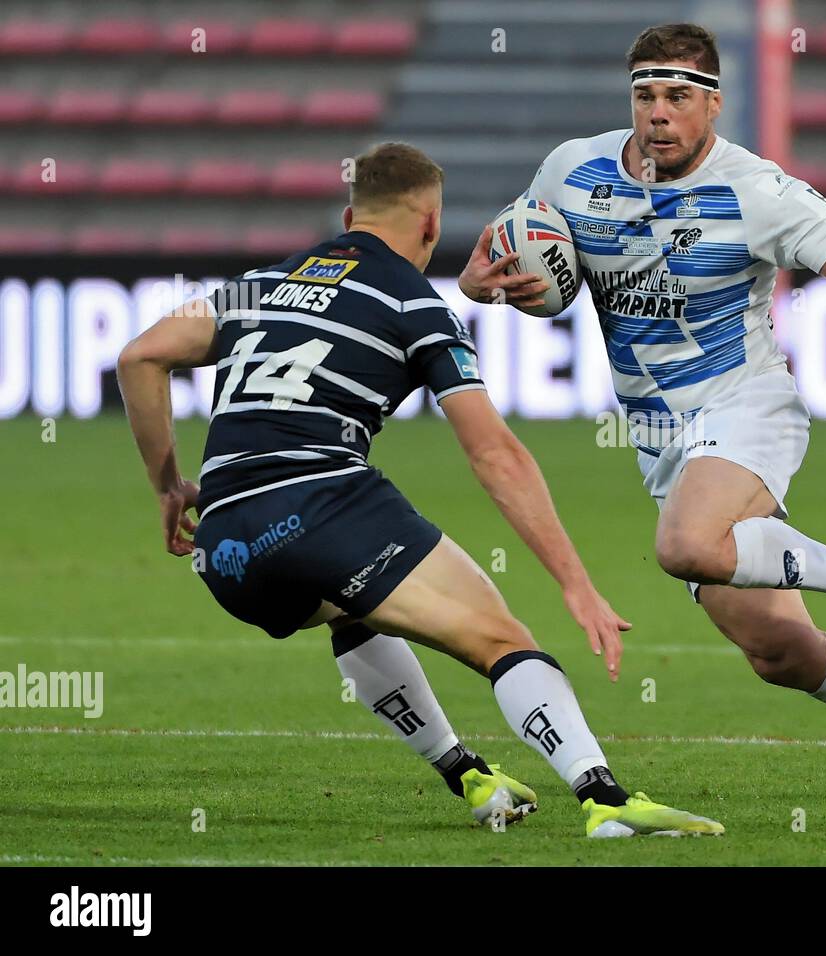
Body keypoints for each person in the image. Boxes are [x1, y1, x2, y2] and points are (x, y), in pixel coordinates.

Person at [457, 25, 826, 801]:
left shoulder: (755, 190)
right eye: (644, 96)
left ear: (714, 104)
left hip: (747, 403)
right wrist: (481, 284)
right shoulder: (572, 170)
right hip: (661, 438)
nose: (657, 113)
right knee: (780, 652)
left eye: (677, 97)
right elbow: (508, 261)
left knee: (687, 543)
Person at [117, 142, 724, 835]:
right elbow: (495, 454)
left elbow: (141, 356)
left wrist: (169, 486)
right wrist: (575, 582)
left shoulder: (261, 283)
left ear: (351, 213)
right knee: (502, 641)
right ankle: (606, 802)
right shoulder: (412, 302)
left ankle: (470, 777)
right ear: (432, 227)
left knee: (351, 609)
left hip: (225, 546)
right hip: (319, 501)